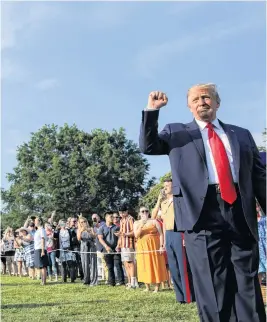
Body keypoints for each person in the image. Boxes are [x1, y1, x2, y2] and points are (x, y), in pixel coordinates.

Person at [139, 84, 266, 322]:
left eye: (206, 97)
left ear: (217, 103)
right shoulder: (176, 132)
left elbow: (260, 177)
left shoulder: (241, 134)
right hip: (200, 215)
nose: (202, 102)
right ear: (189, 106)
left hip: (240, 211)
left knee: (247, 281)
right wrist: (152, 111)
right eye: (195, 99)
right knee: (211, 282)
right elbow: (148, 146)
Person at [152, 179, 194, 302]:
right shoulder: (164, 203)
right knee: (173, 267)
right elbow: (154, 217)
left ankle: (188, 296)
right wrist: (164, 241)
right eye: (164, 186)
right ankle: (180, 296)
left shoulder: (178, 200)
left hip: (178, 232)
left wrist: (185, 236)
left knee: (183, 267)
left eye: (167, 185)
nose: (165, 188)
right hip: (169, 235)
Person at [134, 206, 167, 292]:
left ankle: (157, 287)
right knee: (144, 265)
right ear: (139, 213)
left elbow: (161, 234)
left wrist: (161, 246)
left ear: (148, 212)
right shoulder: (136, 223)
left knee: (156, 264)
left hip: (154, 246)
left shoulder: (154, 221)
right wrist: (142, 224)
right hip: (142, 247)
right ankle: (147, 287)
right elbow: (136, 235)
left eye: (146, 211)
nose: (144, 213)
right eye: (142, 211)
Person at [98, 212, 125, 287]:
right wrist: (106, 246)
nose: (113, 218)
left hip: (116, 249)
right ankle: (111, 282)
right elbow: (100, 238)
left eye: (113, 217)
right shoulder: (101, 228)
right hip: (106, 249)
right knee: (109, 266)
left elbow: (120, 237)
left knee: (118, 265)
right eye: (111, 217)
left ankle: (121, 282)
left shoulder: (116, 227)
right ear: (106, 217)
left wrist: (118, 245)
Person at [117, 204, 138, 289]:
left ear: (126, 211)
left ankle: (133, 282)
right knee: (125, 263)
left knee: (130, 262)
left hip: (129, 243)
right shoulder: (121, 220)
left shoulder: (131, 219)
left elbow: (134, 232)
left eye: (122, 212)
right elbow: (121, 233)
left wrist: (125, 234)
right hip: (123, 244)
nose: (121, 214)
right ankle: (129, 282)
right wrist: (118, 243)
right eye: (120, 213)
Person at [77, 216, 98, 286]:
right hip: (84, 247)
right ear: (79, 223)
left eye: (84, 221)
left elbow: (95, 236)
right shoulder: (79, 229)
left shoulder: (91, 228)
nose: (83, 223)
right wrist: (81, 230)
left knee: (93, 263)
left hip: (92, 246)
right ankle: (86, 280)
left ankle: (94, 280)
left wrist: (90, 231)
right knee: (85, 264)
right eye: (81, 222)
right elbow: (78, 239)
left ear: (87, 222)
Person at [34, 217, 49, 285]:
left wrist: (42, 251)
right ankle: (42, 280)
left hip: (41, 249)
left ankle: (44, 281)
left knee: (43, 266)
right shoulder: (37, 230)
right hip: (37, 249)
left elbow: (43, 240)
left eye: (36, 221)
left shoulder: (42, 230)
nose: (34, 222)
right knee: (40, 266)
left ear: (40, 222)